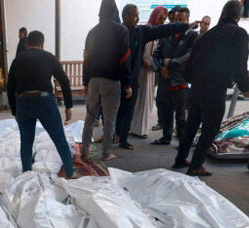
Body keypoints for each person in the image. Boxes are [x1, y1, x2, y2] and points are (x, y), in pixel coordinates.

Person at [174, 1, 249, 177]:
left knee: (191, 125)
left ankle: (180, 159)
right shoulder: (239, 34)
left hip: (196, 88)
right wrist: (246, 88)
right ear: (238, 17)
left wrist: (191, 81)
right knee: (209, 129)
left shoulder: (207, 34)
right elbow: (239, 64)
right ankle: (195, 166)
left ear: (222, 14)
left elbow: (191, 61)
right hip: (215, 89)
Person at [115, 4, 193, 151]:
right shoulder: (117, 32)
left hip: (134, 79)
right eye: (135, 15)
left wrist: (184, 27)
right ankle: (114, 135)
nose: (138, 18)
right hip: (117, 80)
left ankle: (122, 138)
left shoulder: (141, 32)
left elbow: (162, 31)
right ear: (125, 16)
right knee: (114, 111)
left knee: (128, 111)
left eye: (138, 15)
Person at [7, 31, 75, 178]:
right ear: (42, 44)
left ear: (27, 44)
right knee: (59, 139)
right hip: (45, 102)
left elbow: (10, 87)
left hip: (23, 102)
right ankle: (70, 173)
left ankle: (27, 175)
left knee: (26, 141)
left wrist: (14, 111)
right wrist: (68, 106)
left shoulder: (18, 59)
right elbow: (64, 81)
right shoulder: (48, 57)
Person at [81, 0, 132, 162]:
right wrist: (127, 84)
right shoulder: (121, 31)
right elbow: (124, 59)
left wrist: (85, 83)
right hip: (111, 81)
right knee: (109, 119)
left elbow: (86, 60)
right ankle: (106, 153)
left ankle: (84, 150)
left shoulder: (92, 32)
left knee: (90, 117)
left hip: (93, 81)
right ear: (115, 11)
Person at [152, 7, 199, 145]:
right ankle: (166, 137)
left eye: (182, 20)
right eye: (176, 19)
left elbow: (190, 55)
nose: (178, 22)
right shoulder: (167, 35)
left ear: (187, 20)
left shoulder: (192, 35)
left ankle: (182, 141)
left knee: (181, 114)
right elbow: (155, 55)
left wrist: (172, 63)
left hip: (180, 81)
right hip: (164, 80)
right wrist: (160, 68)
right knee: (165, 110)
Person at [129, 6, 168, 139]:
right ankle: (133, 127)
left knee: (147, 100)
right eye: (160, 18)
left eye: (164, 19)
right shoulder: (144, 31)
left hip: (151, 72)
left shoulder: (159, 35)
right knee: (137, 99)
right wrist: (141, 61)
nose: (162, 22)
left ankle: (141, 129)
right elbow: (134, 51)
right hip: (139, 71)